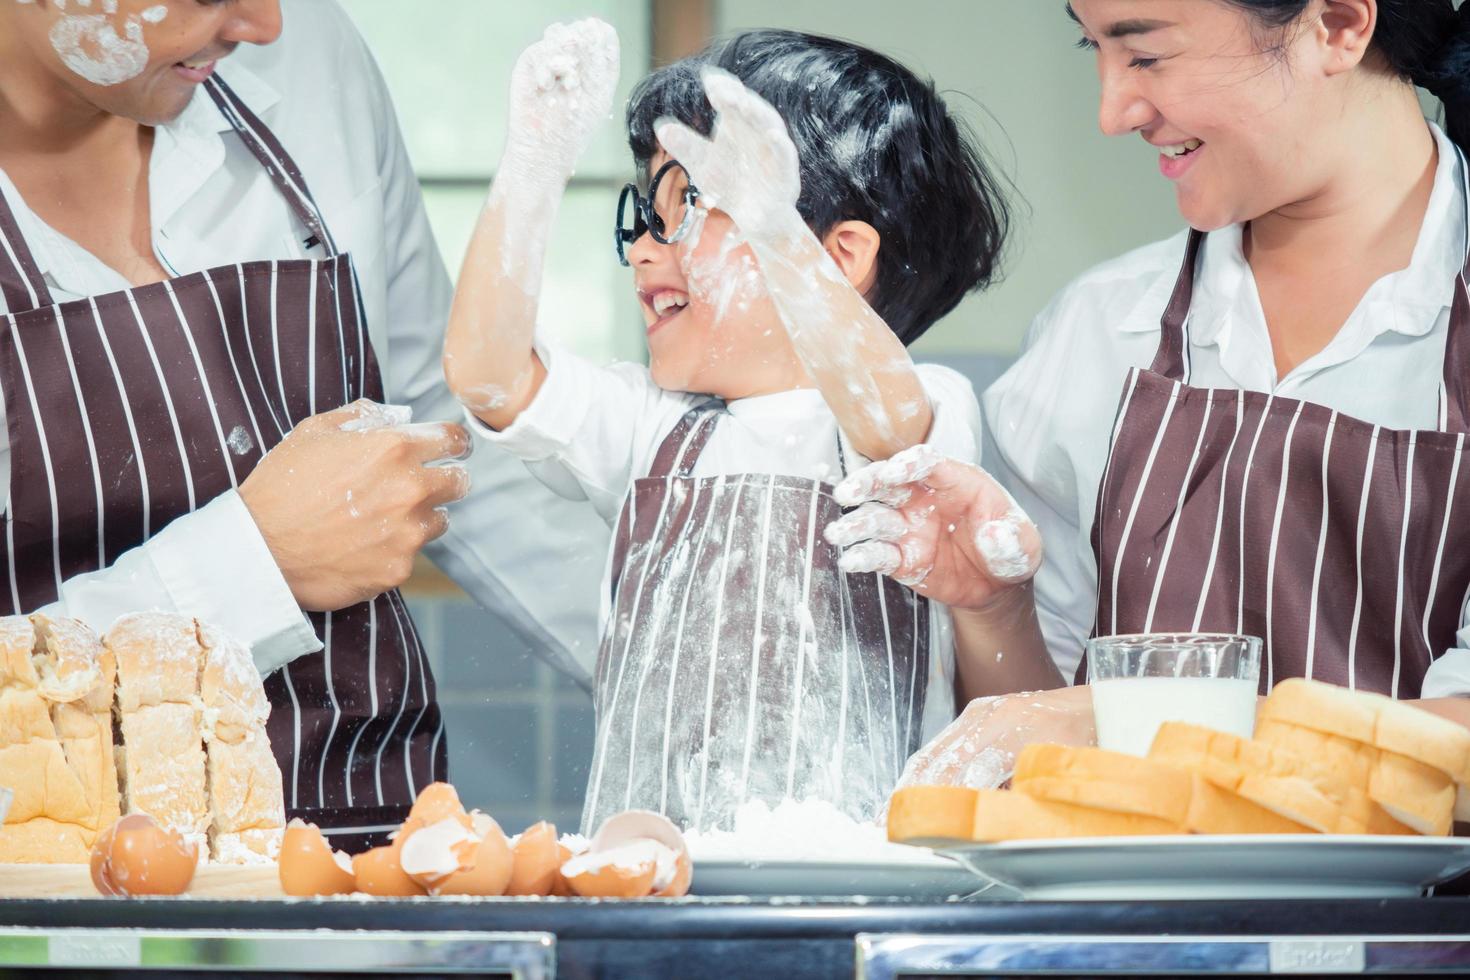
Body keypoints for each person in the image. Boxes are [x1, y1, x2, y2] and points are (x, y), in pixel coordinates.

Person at [0, 0, 609, 850]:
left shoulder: (308, 60)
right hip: (56, 887)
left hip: (367, 840)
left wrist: (683, 661)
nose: (266, 22)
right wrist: (253, 564)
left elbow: (442, 425)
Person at [829, 0, 1470, 784]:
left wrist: (1128, 719)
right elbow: (1030, 742)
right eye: (1092, 49)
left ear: (1337, 25)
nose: (1112, 111)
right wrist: (994, 608)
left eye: (1146, 55)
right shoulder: (1098, 330)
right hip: (1125, 912)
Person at [443, 22, 1011, 830]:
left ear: (840, 256)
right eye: (643, 213)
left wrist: (774, 233)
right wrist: (533, 165)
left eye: (690, 208)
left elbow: (891, 433)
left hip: (859, 881)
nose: (642, 249)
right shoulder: (651, 426)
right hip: (644, 880)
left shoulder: (923, 402)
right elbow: (488, 374)